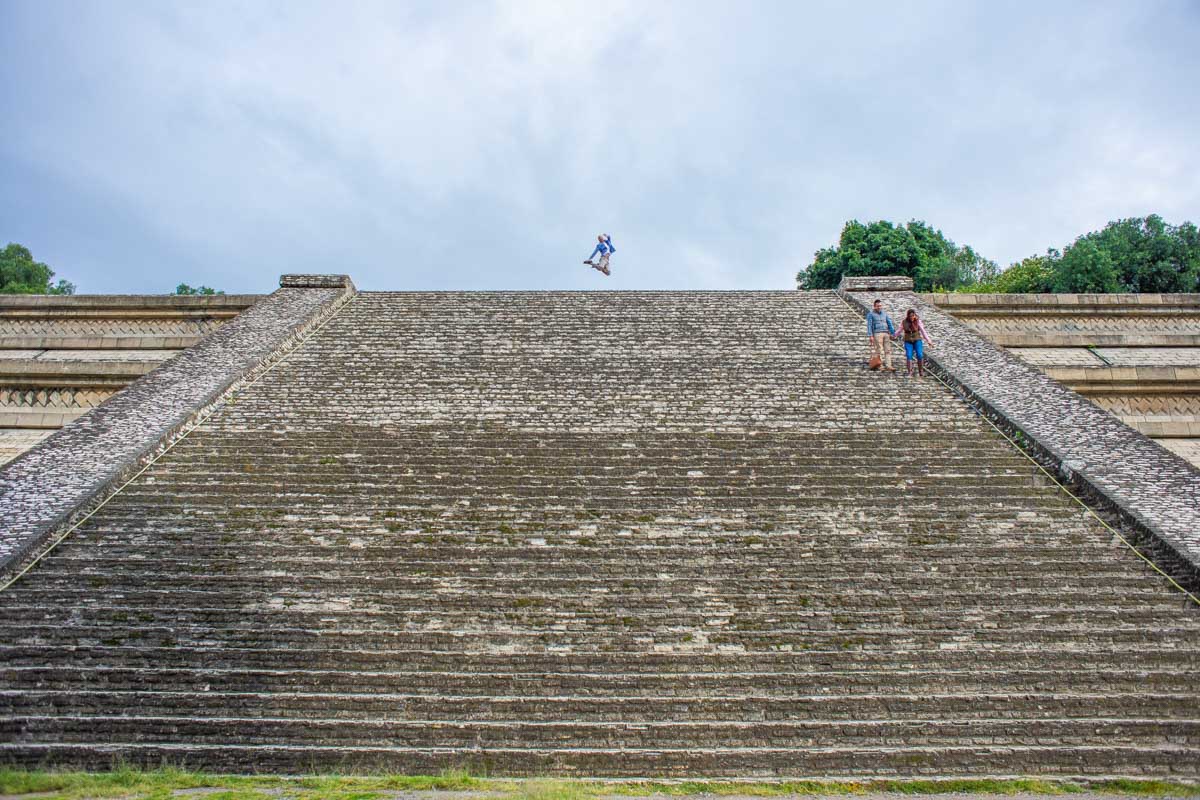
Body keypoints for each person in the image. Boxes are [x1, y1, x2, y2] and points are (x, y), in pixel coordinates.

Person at [896, 308, 934, 377]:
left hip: (917, 340)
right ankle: (910, 372)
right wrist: (893, 336)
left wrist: (928, 340)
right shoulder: (904, 322)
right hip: (908, 340)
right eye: (910, 316)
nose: (911, 318)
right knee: (909, 355)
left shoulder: (918, 321)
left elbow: (923, 331)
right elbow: (899, 330)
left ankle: (921, 371)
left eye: (913, 316)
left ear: (914, 315)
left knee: (919, 354)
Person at [865, 298, 897, 372]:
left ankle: (888, 365)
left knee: (887, 350)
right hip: (877, 333)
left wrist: (893, 332)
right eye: (878, 306)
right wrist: (870, 335)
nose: (879, 307)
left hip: (886, 332)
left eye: (880, 306)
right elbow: (869, 325)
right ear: (874, 306)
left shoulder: (884, 313)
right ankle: (880, 365)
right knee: (879, 349)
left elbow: (889, 323)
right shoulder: (871, 314)